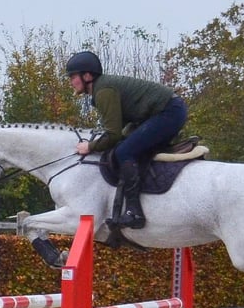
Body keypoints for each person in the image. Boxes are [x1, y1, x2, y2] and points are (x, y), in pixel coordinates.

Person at [66, 50, 188, 229]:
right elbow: (117, 130)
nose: (71, 82)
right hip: (167, 111)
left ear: (87, 76)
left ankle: (134, 212)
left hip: (168, 112)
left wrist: (90, 146)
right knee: (125, 146)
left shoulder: (103, 92)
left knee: (124, 151)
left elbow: (113, 135)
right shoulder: (102, 89)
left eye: (72, 77)